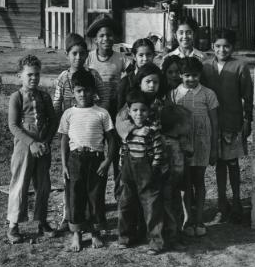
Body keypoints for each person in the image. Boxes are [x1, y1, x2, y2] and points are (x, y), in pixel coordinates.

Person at [52, 32, 108, 233]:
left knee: (90, 178)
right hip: (70, 126)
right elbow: (57, 104)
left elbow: (104, 97)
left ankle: (88, 218)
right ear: (67, 54)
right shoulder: (63, 78)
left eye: (82, 53)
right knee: (71, 176)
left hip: (90, 126)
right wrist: (62, 125)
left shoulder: (93, 75)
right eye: (74, 53)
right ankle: (69, 217)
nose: (78, 58)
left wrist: (96, 116)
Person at [58, 69, 116, 252]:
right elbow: (64, 141)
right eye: (79, 91)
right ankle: (76, 233)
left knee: (95, 197)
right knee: (75, 197)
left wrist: (107, 162)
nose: (83, 95)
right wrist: (64, 164)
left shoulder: (102, 113)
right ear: (73, 92)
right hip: (75, 160)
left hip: (96, 160)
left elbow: (112, 140)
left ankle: (95, 232)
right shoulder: (69, 113)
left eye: (87, 90)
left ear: (94, 91)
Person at [201, 29, 253, 223]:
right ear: (212, 47)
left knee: (233, 164)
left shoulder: (240, 66)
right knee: (219, 164)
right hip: (213, 123)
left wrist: (247, 121)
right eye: (218, 46)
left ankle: (237, 201)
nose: (222, 50)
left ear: (232, 47)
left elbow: (248, 96)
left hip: (233, 123)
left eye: (226, 46)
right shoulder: (206, 67)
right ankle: (222, 203)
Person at [6, 55, 58, 244]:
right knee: (20, 183)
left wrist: (46, 141)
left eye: (36, 74)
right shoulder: (16, 97)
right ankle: (13, 225)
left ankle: (41, 221)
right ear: (20, 75)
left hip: (43, 146)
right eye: (29, 75)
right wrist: (31, 143)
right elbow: (13, 125)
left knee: (43, 185)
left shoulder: (44, 96)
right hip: (24, 147)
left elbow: (53, 121)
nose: (33, 78)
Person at [167, 57, 218, 237]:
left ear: (200, 75)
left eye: (195, 75)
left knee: (199, 181)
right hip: (183, 146)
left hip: (202, 143)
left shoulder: (208, 94)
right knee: (186, 184)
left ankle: (199, 219)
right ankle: (188, 220)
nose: (191, 79)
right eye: (187, 75)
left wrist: (214, 148)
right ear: (181, 75)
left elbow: (214, 122)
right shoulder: (174, 94)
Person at [85, 14, 131, 204]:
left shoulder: (121, 59)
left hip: (116, 112)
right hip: (96, 114)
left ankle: (120, 197)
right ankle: (96, 202)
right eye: (102, 35)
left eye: (110, 35)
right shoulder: (88, 59)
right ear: (95, 39)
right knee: (97, 156)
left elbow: (130, 79)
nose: (106, 39)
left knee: (118, 155)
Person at [116, 88, 164, 255]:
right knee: (126, 205)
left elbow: (158, 151)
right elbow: (123, 150)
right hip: (128, 173)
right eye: (135, 110)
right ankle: (125, 237)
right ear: (129, 112)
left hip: (147, 173)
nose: (139, 114)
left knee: (151, 207)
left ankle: (155, 242)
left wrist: (154, 168)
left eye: (143, 110)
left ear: (148, 111)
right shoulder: (127, 132)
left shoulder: (152, 131)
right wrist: (122, 168)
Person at [159, 103, 193, 248]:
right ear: (178, 125)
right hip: (166, 182)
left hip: (177, 182)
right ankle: (171, 239)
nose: (190, 127)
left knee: (177, 207)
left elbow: (188, 154)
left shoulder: (180, 140)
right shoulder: (164, 141)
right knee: (168, 210)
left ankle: (177, 234)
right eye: (188, 124)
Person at [116, 37, 156, 111]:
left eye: (148, 54)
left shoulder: (158, 78)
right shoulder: (126, 82)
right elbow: (120, 110)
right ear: (134, 56)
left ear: (154, 55)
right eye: (141, 55)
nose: (145, 59)